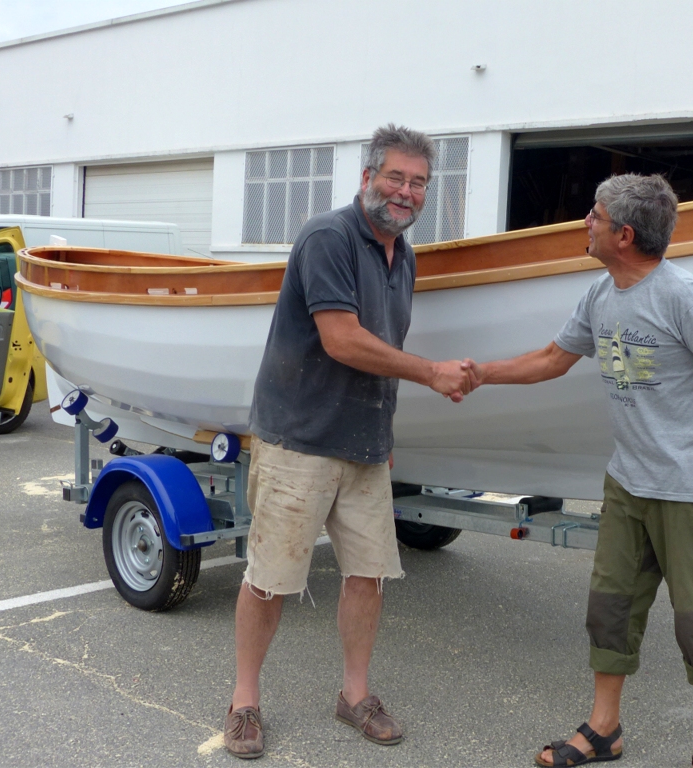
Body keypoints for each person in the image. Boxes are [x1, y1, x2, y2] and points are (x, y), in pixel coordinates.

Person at [463, 174, 693, 768]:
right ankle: (604, 731)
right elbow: (553, 358)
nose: (585, 223)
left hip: (689, 493)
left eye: (593, 216)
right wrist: (480, 374)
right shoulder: (601, 293)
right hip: (627, 485)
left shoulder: (684, 296)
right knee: (610, 610)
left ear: (624, 234)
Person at [223, 124, 472, 759]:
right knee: (271, 579)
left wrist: (383, 431)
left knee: (369, 575)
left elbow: (381, 343)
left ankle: (354, 695)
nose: (407, 192)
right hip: (299, 439)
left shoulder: (404, 254)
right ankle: (244, 703)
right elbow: (342, 340)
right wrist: (431, 372)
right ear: (367, 178)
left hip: (364, 443)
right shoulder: (327, 237)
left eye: (418, 182)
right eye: (395, 177)